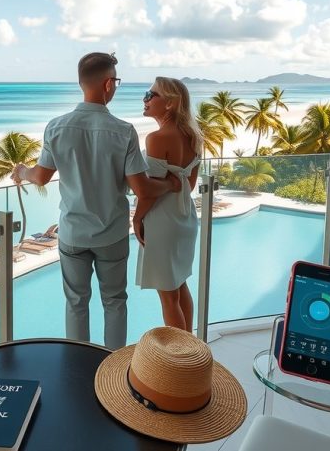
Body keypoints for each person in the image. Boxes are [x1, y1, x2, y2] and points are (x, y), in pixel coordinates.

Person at [12, 52, 179, 350]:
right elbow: (141, 189)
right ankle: (111, 365)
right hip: (111, 234)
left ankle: (78, 364)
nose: (115, 86)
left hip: (73, 233)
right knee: (115, 302)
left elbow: (40, 176)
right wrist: (169, 183)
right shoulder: (124, 131)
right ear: (107, 85)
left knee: (76, 303)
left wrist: (21, 171)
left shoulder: (56, 127)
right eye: (115, 80)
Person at [133, 77, 201, 332]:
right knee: (180, 285)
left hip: (162, 222)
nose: (145, 99)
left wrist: (137, 218)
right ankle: (192, 350)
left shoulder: (157, 138)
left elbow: (149, 191)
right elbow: (189, 186)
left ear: (170, 104)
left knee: (168, 297)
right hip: (184, 220)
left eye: (151, 95)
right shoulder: (193, 136)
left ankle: (180, 360)